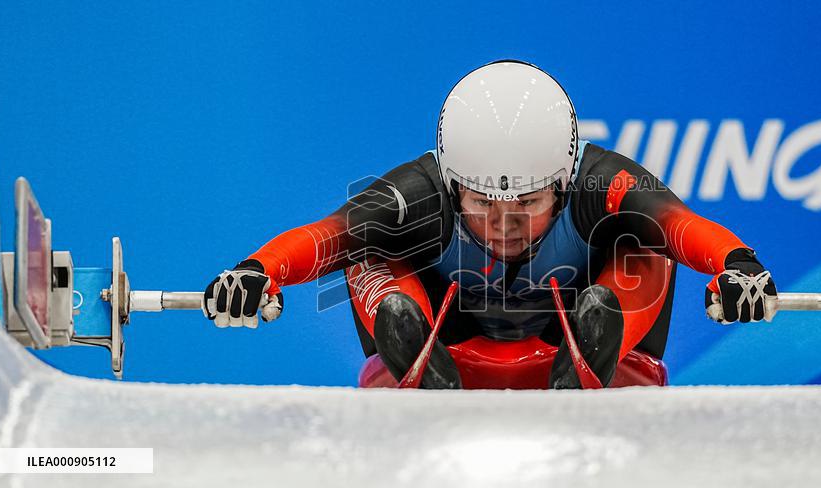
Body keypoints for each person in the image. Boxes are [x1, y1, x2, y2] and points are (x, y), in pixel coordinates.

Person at [202, 60, 778, 389]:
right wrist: (256, 273)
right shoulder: (416, 193)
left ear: (563, 182)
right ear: (452, 184)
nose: (505, 222)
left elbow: (681, 225)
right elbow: (327, 236)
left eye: (528, 201)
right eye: (482, 202)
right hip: (448, 355)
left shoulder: (604, 181)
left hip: (594, 360)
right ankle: (416, 358)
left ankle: (594, 355)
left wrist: (739, 267)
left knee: (643, 241)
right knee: (369, 245)